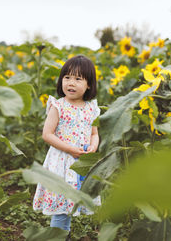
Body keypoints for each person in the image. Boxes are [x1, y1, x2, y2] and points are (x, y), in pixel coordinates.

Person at [33, 55, 101, 233]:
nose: (71, 83)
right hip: (62, 162)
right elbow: (47, 134)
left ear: (89, 84)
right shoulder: (58, 106)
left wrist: (93, 147)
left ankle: (64, 233)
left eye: (78, 79)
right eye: (67, 77)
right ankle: (58, 235)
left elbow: (94, 133)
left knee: (72, 204)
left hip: (81, 163)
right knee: (62, 207)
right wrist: (70, 149)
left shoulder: (91, 108)